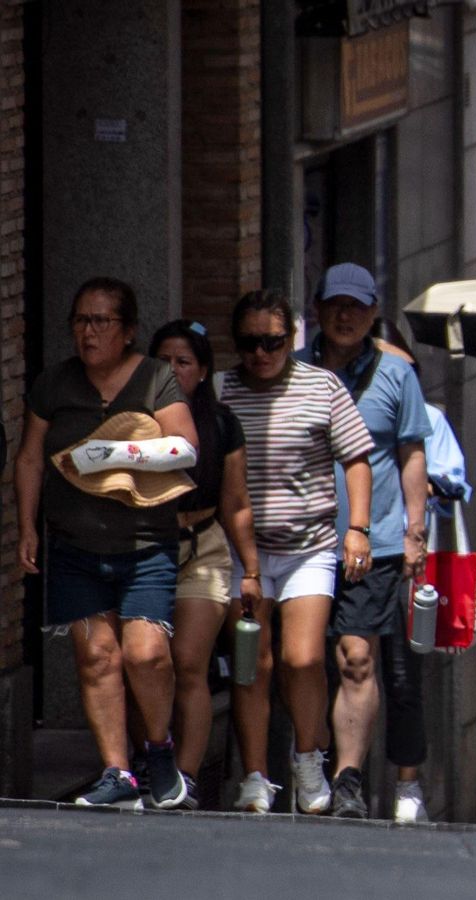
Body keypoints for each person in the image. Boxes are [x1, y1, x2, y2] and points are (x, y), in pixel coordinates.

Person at [14, 277, 200, 809]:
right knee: (95, 656)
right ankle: (117, 772)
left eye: (100, 321)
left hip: (146, 545)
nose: (87, 332)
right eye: (79, 320)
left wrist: (120, 455)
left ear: (128, 331)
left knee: (146, 655)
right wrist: (27, 527)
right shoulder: (55, 384)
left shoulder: (156, 377)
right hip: (73, 546)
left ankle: (159, 750)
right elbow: (29, 458)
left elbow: (187, 448)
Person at [217, 289, 375, 814]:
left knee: (303, 658)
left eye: (273, 341)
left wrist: (358, 528)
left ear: (291, 339)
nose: (260, 353)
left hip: (310, 546)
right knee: (252, 663)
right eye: (249, 343)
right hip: (243, 551)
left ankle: (308, 759)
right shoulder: (223, 391)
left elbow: (356, 459)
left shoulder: (322, 385)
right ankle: (256, 776)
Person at [297, 264, 431, 820]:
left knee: (356, 658)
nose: (345, 316)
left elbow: (411, 455)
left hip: (370, 546)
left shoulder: (397, 376)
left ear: (374, 312)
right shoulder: (295, 370)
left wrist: (414, 531)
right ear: (319, 312)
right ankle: (301, 762)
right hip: (300, 542)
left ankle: (347, 776)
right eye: (335, 306)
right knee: (301, 660)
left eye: (357, 306)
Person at [149, 320, 263, 808]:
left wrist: (252, 570)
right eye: (164, 361)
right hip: (147, 545)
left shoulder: (220, 422)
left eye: (184, 362)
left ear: (203, 370)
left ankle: (188, 776)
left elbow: (236, 502)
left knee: (189, 663)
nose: (173, 370)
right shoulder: (136, 418)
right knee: (147, 662)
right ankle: (148, 764)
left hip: (205, 546)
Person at [369, 318, 468, 822]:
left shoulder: (428, 417)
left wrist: (425, 481)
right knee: (346, 669)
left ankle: (408, 784)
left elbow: (455, 481)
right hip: (353, 559)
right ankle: (344, 776)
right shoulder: (344, 407)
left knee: (404, 678)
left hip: (410, 568)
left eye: (398, 363)